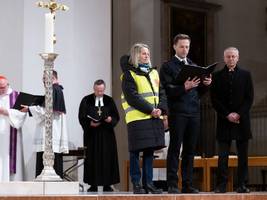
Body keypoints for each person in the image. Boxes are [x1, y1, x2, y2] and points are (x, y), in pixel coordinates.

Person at [160, 33, 212, 193]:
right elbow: (167, 90)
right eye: (182, 46)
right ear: (175, 46)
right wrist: (184, 87)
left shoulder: (193, 65)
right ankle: (172, 184)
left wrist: (206, 85)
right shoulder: (167, 66)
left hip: (193, 112)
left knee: (190, 149)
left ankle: (187, 184)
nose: (185, 49)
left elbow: (198, 93)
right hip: (178, 112)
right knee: (175, 148)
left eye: (187, 46)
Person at [121, 43, 168, 194]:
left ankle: (149, 184)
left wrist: (161, 108)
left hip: (154, 117)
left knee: (149, 152)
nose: (146, 55)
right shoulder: (129, 74)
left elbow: (161, 93)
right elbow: (132, 97)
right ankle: (137, 184)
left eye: (147, 53)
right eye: (143, 53)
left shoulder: (154, 73)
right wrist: (151, 109)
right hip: (137, 118)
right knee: (135, 152)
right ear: (136, 56)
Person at [210, 47, 254, 193]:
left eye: (233, 56)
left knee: (243, 156)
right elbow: (214, 100)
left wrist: (238, 114)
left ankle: (242, 184)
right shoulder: (216, 76)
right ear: (224, 58)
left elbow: (249, 98)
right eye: (228, 56)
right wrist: (227, 115)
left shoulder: (246, 75)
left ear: (238, 57)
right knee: (222, 156)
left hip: (242, 121)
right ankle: (221, 184)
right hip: (224, 120)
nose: (231, 59)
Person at [22, 70, 69, 178]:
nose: (43, 81)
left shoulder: (54, 90)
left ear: (52, 78)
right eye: (43, 78)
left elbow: (46, 111)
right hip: (52, 129)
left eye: (45, 78)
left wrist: (29, 108)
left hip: (50, 132)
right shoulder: (57, 90)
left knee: (48, 155)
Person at [78, 79, 120, 192]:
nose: (99, 93)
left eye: (101, 91)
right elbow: (81, 116)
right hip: (92, 135)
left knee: (107, 158)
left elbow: (116, 117)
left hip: (107, 135)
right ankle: (93, 184)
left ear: (104, 89)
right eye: (97, 91)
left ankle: (107, 184)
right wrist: (89, 123)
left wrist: (110, 119)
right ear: (94, 89)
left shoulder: (109, 100)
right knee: (92, 159)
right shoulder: (86, 100)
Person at [0, 75, 27, 181]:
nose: (1, 90)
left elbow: (21, 114)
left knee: (10, 158)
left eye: (3, 87)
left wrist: (5, 112)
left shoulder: (17, 96)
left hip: (11, 134)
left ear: (8, 84)